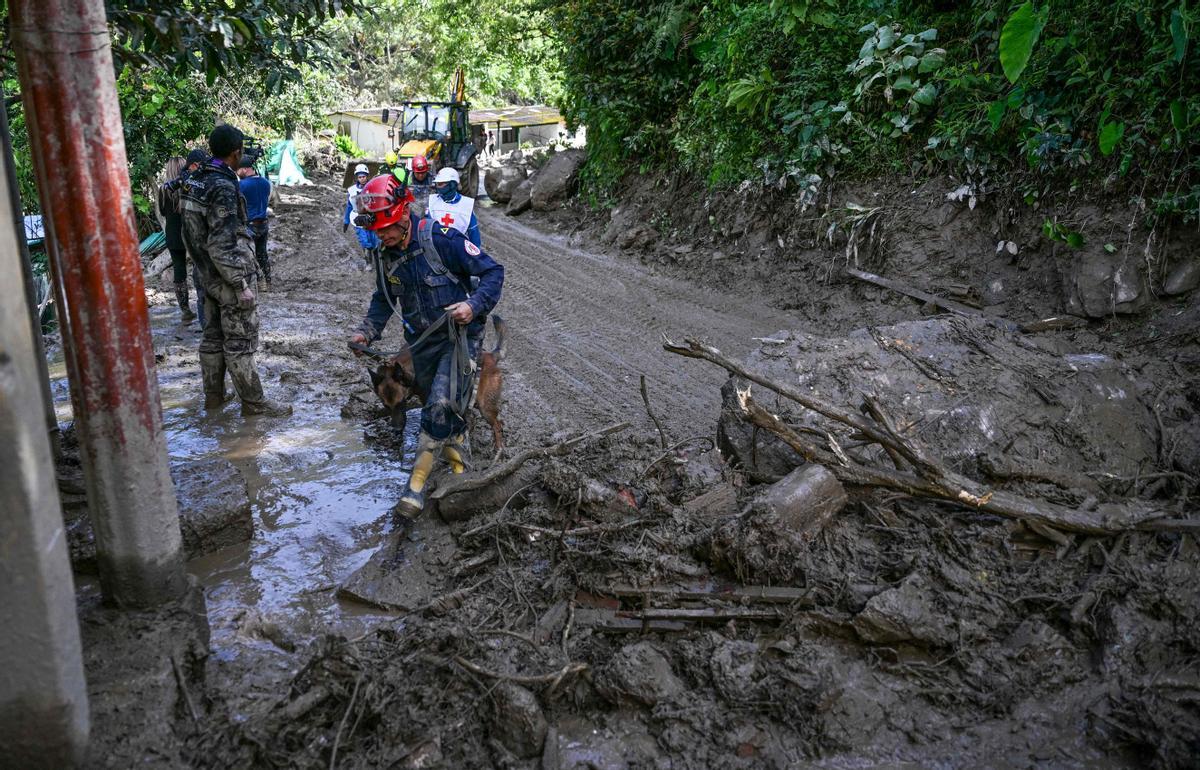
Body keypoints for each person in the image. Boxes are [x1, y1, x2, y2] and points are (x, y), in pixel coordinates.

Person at [347, 174, 504, 516]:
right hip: (421, 344)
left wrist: (472, 305)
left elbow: (493, 273)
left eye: (386, 227)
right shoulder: (386, 254)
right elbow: (383, 298)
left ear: (404, 214)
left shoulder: (441, 239)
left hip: (459, 338)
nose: (382, 235)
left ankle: (415, 487)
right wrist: (366, 333)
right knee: (445, 407)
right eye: (377, 229)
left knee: (438, 405)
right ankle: (460, 467)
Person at [180, 124, 292, 417]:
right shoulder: (223, 187)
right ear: (236, 152)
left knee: (212, 337)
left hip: (205, 274)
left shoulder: (194, 180)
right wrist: (241, 283)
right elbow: (222, 242)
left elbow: (192, 235)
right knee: (240, 341)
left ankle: (214, 398)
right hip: (228, 278)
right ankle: (254, 403)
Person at [157, 148, 209, 324]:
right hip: (193, 232)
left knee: (179, 271)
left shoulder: (164, 190)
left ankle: (185, 310)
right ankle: (204, 305)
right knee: (199, 268)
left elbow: (163, 212)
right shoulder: (192, 185)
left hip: (173, 234)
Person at [238, 155, 273, 289]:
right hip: (264, 223)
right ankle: (268, 281)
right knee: (262, 254)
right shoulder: (265, 183)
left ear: (246, 169)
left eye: (238, 169)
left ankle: (258, 281)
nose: (237, 172)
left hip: (249, 225)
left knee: (248, 255)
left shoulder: (242, 185)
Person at [427, 167, 481, 248]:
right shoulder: (432, 202)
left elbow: (474, 236)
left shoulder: (466, 206)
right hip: (436, 251)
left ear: (452, 185)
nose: (437, 187)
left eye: (441, 184)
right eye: (437, 184)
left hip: (457, 251)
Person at [343, 163, 380, 264]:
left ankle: (378, 261)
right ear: (357, 178)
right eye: (360, 177)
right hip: (358, 219)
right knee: (365, 241)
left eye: (363, 176)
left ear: (367, 176)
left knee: (375, 241)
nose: (362, 179)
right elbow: (349, 206)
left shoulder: (373, 187)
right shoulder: (352, 191)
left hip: (372, 218)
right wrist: (346, 221)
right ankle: (368, 262)